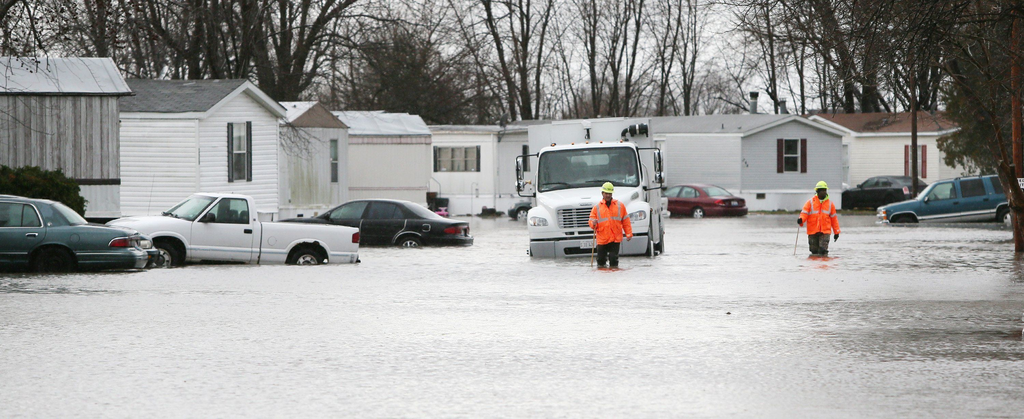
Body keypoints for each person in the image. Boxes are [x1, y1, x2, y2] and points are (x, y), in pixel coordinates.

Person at [589, 182, 633, 267]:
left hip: (615, 238)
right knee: (601, 261)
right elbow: (591, 222)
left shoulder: (620, 206)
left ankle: (614, 276)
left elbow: (626, 221)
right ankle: (602, 277)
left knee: (614, 259)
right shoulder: (596, 208)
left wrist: (628, 233)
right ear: (602, 193)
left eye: (609, 193)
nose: (608, 195)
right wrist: (593, 223)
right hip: (602, 239)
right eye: (606, 193)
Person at [798, 181, 840, 256]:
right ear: (817, 191)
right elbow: (804, 213)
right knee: (813, 251)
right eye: (822, 190)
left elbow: (834, 219)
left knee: (822, 250)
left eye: (825, 190)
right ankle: (815, 266)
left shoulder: (830, 204)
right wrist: (801, 219)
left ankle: (824, 263)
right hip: (812, 231)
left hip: (825, 231)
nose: (824, 192)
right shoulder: (810, 202)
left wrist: (836, 232)